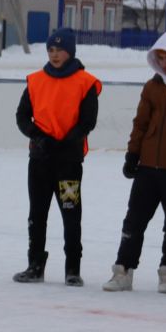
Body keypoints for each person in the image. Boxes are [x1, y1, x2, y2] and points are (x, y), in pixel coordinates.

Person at [105, 26, 166, 294]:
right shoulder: (152, 87)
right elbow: (141, 123)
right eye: (160, 58)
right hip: (148, 167)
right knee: (134, 220)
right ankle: (123, 269)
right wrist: (133, 153)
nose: (165, 64)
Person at [13, 29, 102, 286]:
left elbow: (88, 121)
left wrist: (68, 142)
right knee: (37, 214)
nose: (54, 55)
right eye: (50, 50)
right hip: (40, 161)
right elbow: (21, 116)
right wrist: (38, 137)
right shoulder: (35, 80)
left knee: (71, 213)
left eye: (59, 50)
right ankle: (35, 265)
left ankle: (72, 268)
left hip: (68, 163)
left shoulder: (85, 83)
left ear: (70, 52)